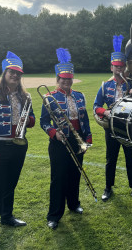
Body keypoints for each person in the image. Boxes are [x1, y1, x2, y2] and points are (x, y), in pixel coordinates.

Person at [0, 51, 35, 250]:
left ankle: (7, 216)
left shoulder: (25, 97)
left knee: (10, 186)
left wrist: (26, 120)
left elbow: (32, 121)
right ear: (5, 72)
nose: (15, 76)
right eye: (12, 72)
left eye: (18, 73)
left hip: (18, 147)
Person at [40, 48, 92, 230]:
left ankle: (73, 203)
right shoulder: (49, 97)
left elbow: (84, 119)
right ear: (58, 79)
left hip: (78, 140)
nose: (67, 81)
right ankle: (54, 214)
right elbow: (43, 122)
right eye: (63, 78)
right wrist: (54, 133)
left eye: (69, 78)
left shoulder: (79, 96)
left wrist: (88, 138)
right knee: (58, 178)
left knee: (75, 173)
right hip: (59, 143)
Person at [93, 35, 132, 202]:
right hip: (112, 128)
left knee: (131, 160)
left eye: (122, 67)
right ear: (111, 68)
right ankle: (108, 188)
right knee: (110, 159)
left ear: (124, 67)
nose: (119, 70)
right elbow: (96, 106)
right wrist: (106, 113)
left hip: (130, 128)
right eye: (116, 67)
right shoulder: (104, 86)